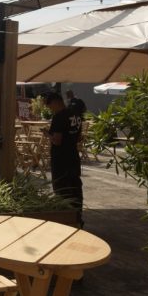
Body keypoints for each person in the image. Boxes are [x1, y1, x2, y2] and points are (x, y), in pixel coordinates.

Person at [43, 92, 83, 225]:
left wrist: (47, 134)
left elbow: (57, 140)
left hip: (61, 159)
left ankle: (65, 220)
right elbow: (79, 137)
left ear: (55, 102)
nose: (50, 109)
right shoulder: (76, 115)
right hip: (73, 156)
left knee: (62, 189)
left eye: (50, 106)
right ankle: (77, 217)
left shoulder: (59, 117)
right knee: (75, 187)